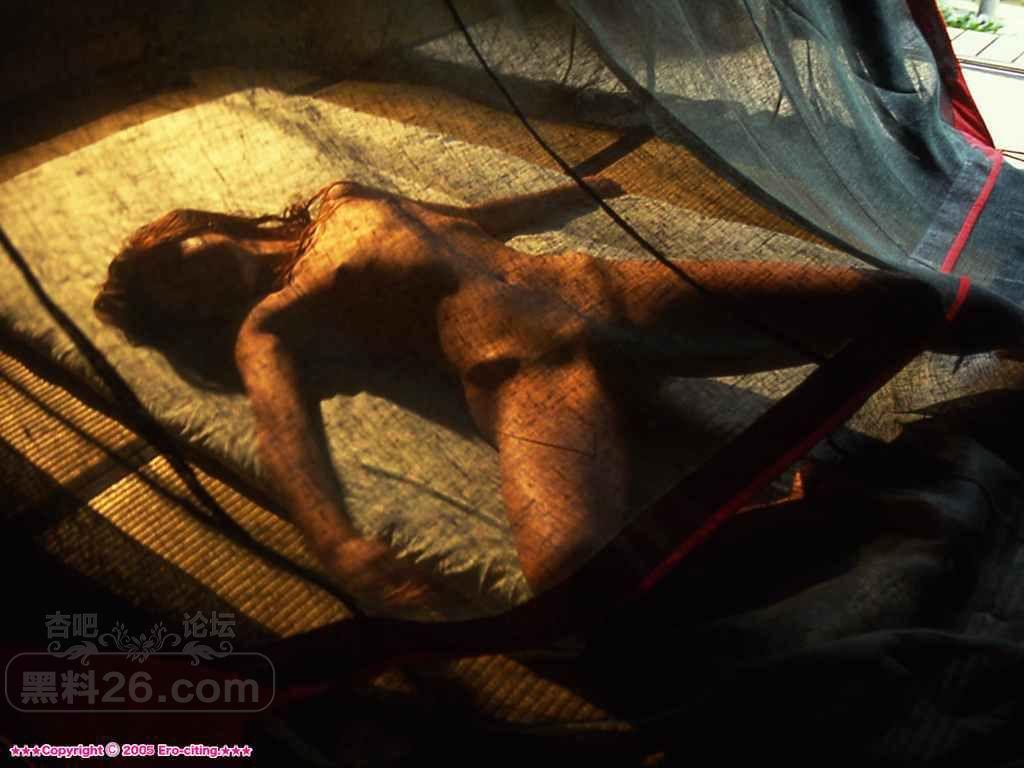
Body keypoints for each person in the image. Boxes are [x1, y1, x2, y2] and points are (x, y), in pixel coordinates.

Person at [93, 176, 1020, 617]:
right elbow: (281, 428)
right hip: (523, 368)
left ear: (188, 224)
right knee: (571, 575)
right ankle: (814, 513)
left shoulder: (337, 198)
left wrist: (577, 188)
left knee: (901, 301)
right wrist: (335, 544)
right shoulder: (273, 323)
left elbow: (467, 219)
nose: (189, 284)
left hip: (605, 289)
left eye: (170, 261)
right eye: (177, 304)